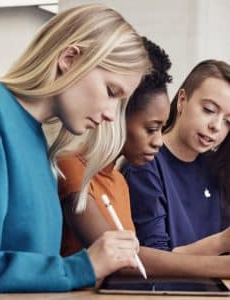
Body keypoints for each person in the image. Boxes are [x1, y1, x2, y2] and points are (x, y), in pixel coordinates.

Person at [0, 4, 150, 299]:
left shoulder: (40, 146)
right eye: (111, 92)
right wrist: (79, 268)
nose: (112, 115)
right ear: (69, 59)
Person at [58, 39, 230, 278]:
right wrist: (222, 259)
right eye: (151, 129)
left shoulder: (117, 181)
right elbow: (127, 260)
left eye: (228, 121)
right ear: (117, 114)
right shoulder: (73, 169)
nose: (158, 141)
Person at [122, 59, 230, 255]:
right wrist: (222, 242)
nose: (216, 126)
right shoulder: (145, 162)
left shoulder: (216, 170)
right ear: (182, 100)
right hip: (167, 286)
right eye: (209, 110)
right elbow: (155, 260)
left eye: (228, 121)